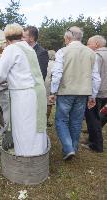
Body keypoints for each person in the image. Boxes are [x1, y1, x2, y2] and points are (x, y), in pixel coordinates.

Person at [0, 24, 48, 157]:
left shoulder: (11, 49)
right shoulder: (28, 48)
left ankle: (26, 155)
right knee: (36, 126)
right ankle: (39, 153)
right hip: (37, 90)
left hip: (24, 94)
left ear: (7, 38)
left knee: (25, 126)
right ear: (20, 35)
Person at [49, 26, 101, 160]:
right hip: (83, 92)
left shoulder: (62, 51)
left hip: (66, 91)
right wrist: (93, 96)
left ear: (68, 38)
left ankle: (68, 148)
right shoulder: (91, 53)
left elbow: (57, 73)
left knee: (61, 120)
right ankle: (73, 147)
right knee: (76, 121)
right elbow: (96, 77)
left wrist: (53, 91)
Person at [84, 35, 107, 153]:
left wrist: (91, 94)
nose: (87, 46)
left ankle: (96, 145)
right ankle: (93, 139)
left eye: (88, 43)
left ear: (97, 44)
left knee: (92, 118)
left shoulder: (97, 56)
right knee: (101, 117)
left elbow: (94, 76)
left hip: (98, 92)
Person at [45, 50, 56, 125]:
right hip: (50, 85)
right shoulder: (55, 64)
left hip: (43, 83)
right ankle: (46, 120)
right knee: (49, 103)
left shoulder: (43, 62)